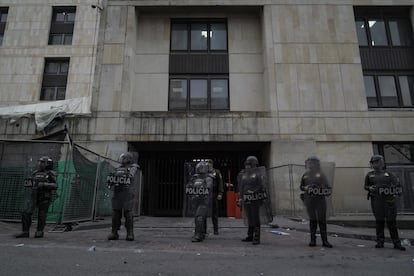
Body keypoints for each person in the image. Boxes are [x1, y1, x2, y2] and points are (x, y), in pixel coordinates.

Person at [364, 155, 405, 250]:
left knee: (392, 223)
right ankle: (380, 242)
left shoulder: (389, 174)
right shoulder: (370, 175)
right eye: (373, 162)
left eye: (376, 162)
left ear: (381, 163)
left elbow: (397, 185)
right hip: (377, 201)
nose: (375, 164)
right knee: (379, 222)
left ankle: (396, 243)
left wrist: (396, 191)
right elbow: (365, 186)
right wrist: (369, 188)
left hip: (389, 202)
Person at [15, 156, 57, 238]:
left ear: (47, 164)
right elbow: (30, 183)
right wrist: (29, 183)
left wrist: (43, 184)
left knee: (42, 215)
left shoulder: (51, 173)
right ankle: (25, 232)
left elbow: (55, 185)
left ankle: (39, 231)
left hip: (45, 196)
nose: (40, 164)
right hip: (34, 195)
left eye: (42, 162)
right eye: (40, 162)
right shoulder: (35, 173)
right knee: (26, 212)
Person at [300, 156, 333, 248]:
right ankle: (312, 240)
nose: (310, 164)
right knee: (312, 221)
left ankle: (325, 241)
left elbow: (328, 188)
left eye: (312, 163)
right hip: (310, 201)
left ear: (316, 164)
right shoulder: (305, 175)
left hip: (320, 201)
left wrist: (321, 189)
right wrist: (305, 188)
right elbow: (301, 187)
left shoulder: (321, 174)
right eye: (309, 163)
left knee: (322, 221)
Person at [237, 156, 270, 245]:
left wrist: (253, 191)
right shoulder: (244, 175)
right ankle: (250, 235)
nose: (247, 166)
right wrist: (240, 197)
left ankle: (256, 237)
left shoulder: (258, 174)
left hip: (255, 198)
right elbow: (241, 186)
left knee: (255, 218)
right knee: (249, 217)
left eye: (249, 164)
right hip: (246, 198)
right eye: (246, 164)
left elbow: (262, 186)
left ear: (254, 164)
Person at [107, 152, 139, 241]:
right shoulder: (117, 168)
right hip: (117, 193)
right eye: (122, 158)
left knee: (128, 213)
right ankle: (114, 232)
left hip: (127, 193)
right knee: (115, 213)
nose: (123, 160)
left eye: (125, 158)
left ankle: (130, 233)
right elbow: (111, 178)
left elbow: (131, 176)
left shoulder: (133, 167)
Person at [186, 161, 213, 242]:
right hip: (195, 200)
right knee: (199, 216)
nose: (200, 169)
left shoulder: (208, 178)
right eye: (199, 167)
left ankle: (198, 235)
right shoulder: (194, 177)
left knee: (199, 217)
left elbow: (208, 188)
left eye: (202, 168)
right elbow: (188, 186)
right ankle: (202, 232)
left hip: (203, 200)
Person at [206, 159, 224, 235]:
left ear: (212, 164)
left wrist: (220, 193)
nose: (208, 165)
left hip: (214, 194)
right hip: (206, 194)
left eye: (209, 163)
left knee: (215, 213)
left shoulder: (216, 172)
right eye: (207, 164)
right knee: (204, 213)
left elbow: (220, 182)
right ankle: (204, 230)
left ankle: (215, 230)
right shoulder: (204, 172)